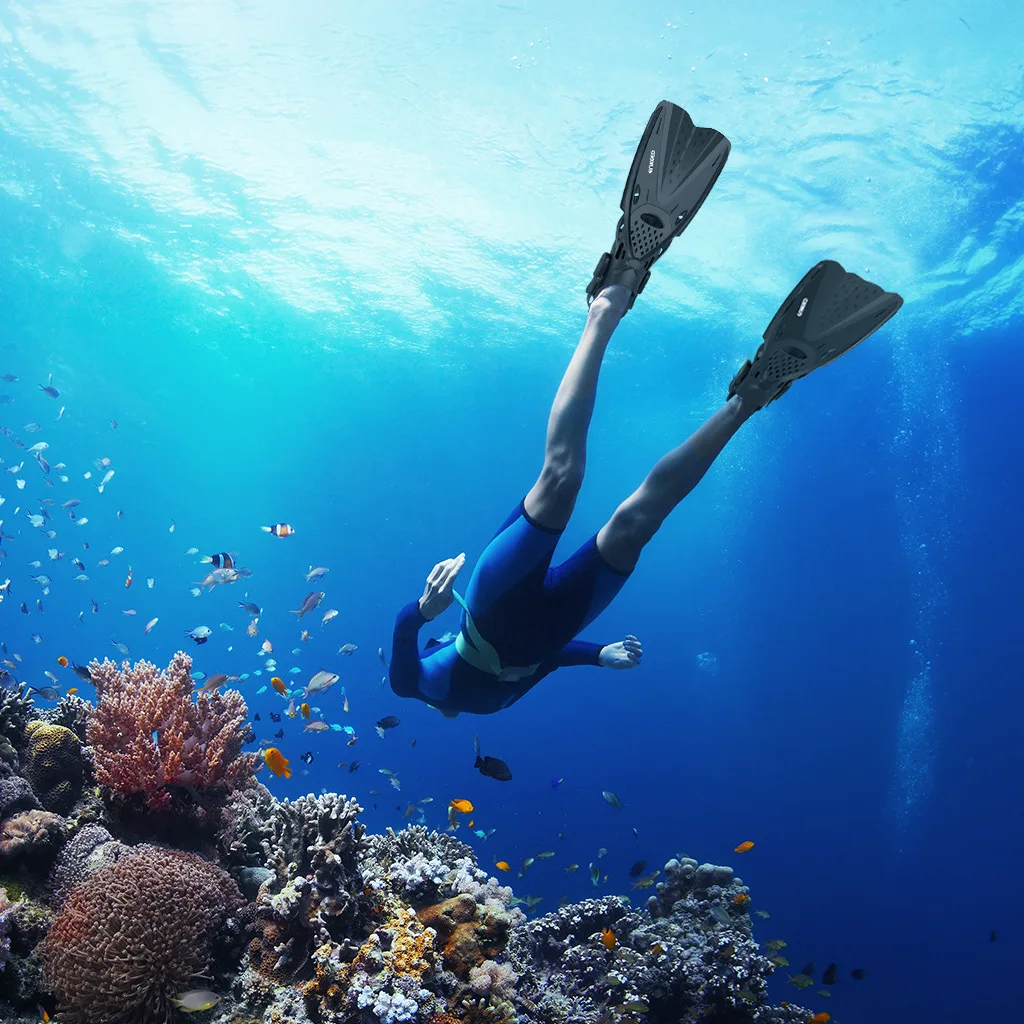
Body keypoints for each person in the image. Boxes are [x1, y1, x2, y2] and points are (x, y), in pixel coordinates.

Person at [389, 100, 903, 717]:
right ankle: (756, 391)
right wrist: (598, 655)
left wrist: (421, 613)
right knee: (637, 524)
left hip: (491, 607)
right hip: (552, 627)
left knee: (561, 481)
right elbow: (547, 660)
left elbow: (399, 665)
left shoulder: (424, 689)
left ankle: (613, 291)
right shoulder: (496, 703)